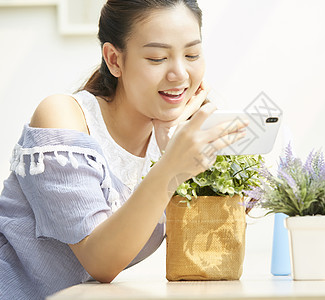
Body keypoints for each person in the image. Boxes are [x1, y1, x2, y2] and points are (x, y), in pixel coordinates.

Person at [0, 1, 247, 299]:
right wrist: (171, 167)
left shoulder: (177, 139)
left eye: (192, 54)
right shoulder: (63, 116)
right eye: (157, 58)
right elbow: (100, 261)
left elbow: (206, 251)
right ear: (114, 60)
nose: (180, 74)